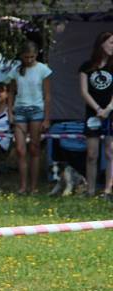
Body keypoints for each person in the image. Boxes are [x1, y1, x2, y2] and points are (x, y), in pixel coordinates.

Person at [7, 40, 51, 194]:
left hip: (37, 111)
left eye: (32, 57)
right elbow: (11, 92)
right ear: (21, 56)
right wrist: (10, 112)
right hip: (20, 110)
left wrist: (46, 118)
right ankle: (23, 186)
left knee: (34, 148)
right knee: (20, 149)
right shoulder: (15, 70)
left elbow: (47, 95)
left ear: (36, 54)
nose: (29, 60)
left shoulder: (43, 70)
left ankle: (33, 187)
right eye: (26, 57)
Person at [79, 31, 113, 200]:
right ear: (102, 44)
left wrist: (108, 109)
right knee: (92, 154)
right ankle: (90, 190)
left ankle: (108, 190)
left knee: (110, 151)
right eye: (111, 42)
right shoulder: (87, 66)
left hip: (111, 113)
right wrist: (98, 109)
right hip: (93, 114)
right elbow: (84, 91)